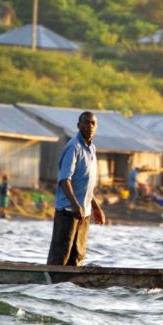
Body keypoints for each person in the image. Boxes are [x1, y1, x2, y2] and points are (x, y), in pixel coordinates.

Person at [47, 111, 106, 266]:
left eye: (93, 123)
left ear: (96, 127)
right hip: (68, 212)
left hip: (83, 213)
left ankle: (73, 282)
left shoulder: (92, 148)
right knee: (60, 257)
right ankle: (52, 280)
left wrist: (96, 208)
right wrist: (75, 204)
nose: (89, 126)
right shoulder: (74, 147)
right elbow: (65, 179)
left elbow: (85, 184)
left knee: (77, 257)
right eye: (86, 123)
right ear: (79, 125)